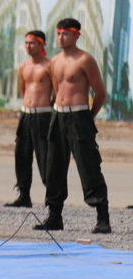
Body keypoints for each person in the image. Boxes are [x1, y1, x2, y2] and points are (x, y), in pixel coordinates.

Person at [35, 19, 111, 233]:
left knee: (89, 166)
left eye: (66, 34)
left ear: (76, 35)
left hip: (79, 117)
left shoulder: (85, 59)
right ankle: (55, 216)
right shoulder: (55, 61)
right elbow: (57, 91)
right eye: (58, 33)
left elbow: (100, 93)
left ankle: (102, 218)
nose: (61, 37)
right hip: (58, 117)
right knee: (54, 167)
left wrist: (88, 117)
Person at [6, 31, 53, 208]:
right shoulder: (23, 66)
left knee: (44, 156)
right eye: (26, 43)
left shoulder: (49, 65)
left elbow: (56, 90)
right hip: (26, 115)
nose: (28, 46)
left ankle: (51, 198)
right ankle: (24, 195)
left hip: (43, 116)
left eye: (32, 43)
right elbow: (23, 90)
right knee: (22, 154)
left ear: (42, 45)